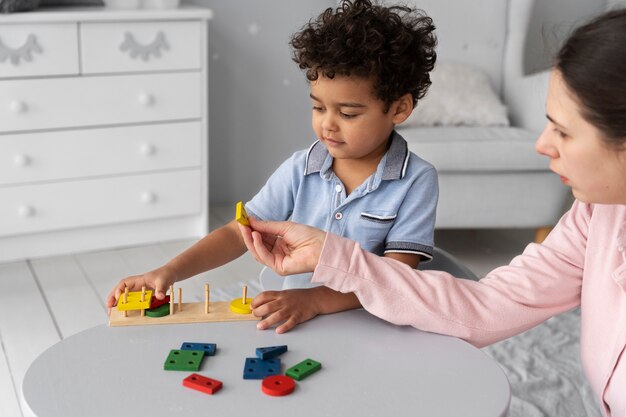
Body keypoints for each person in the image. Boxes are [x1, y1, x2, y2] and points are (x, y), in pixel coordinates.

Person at [238, 8, 626, 417]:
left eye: (564, 131)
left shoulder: (417, 178)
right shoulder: (596, 215)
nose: (542, 145)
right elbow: (486, 307)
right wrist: (332, 256)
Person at [107, 0, 439, 334]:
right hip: (289, 313)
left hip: (369, 323)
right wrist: (168, 272)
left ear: (399, 108)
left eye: (348, 113)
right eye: (318, 107)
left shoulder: (416, 181)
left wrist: (315, 300)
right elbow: (238, 232)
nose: (328, 125)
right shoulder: (301, 168)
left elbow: (397, 278)